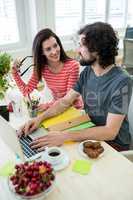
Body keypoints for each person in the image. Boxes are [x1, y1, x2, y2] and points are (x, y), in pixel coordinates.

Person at [19, 22, 132, 152]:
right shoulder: (88, 72)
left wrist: (64, 136)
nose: (77, 50)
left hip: (114, 145)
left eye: (81, 45)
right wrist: (39, 119)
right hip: (91, 133)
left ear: (97, 50)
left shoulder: (122, 81)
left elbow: (110, 132)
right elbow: (65, 101)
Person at [12, 28, 83, 110]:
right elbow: (26, 91)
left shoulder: (73, 66)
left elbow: (68, 100)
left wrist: (47, 106)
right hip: (55, 108)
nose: (54, 51)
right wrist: (14, 73)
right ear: (42, 52)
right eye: (48, 49)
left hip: (73, 109)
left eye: (55, 45)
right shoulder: (42, 67)